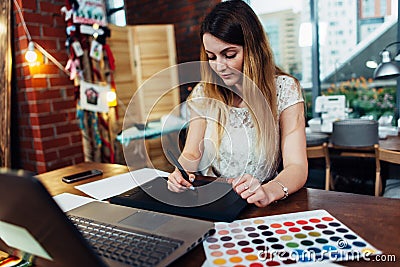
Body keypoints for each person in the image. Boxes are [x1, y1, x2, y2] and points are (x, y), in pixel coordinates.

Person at [167, 0, 308, 207]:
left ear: (253, 50)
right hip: (214, 201)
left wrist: (268, 192)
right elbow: (192, 152)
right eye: (211, 57)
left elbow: (296, 166)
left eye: (229, 55)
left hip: (264, 205)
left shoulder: (285, 90)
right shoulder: (203, 93)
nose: (219, 66)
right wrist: (181, 172)